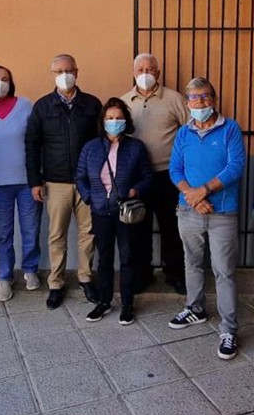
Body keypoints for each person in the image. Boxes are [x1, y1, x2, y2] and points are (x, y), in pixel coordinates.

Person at [167, 77, 245, 360]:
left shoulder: (230, 128)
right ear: (187, 103)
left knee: (224, 271)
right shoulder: (183, 134)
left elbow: (235, 167)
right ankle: (195, 308)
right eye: (194, 98)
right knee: (192, 263)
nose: (199, 102)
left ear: (214, 99)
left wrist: (204, 191)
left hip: (222, 211)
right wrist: (192, 195)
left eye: (205, 97)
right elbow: (175, 169)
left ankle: (229, 329)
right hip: (189, 210)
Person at [26, 54, 102, 309]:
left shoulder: (91, 104)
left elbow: (102, 142)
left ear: (77, 72)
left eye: (69, 70)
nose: (65, 74)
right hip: (55, 181)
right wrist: (35, 181)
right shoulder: (43, 106)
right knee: (56, 234)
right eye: (59, 71)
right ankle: (56, 282)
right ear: (53, 74)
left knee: (88, 232)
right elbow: (32, 145)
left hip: (87, 181)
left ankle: (85, 277)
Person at [75, 98, 153, 325]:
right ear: (103, 121)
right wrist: (90, 197)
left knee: (128, 258)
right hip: (100, 210)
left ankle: (128, 304)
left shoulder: (136, 147)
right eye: (110, 118)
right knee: (104, 258)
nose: (114, 121)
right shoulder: (91, 147)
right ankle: (104, 301)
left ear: (126, 121)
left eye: (119, 117)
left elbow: (148, 177)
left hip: (125, 211)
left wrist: (133, 192)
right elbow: (79, 176)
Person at [121, 54, 188, 294]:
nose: (145, 73)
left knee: (172, 228)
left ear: (158, 73)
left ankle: (175, 274)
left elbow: (189, 131)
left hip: (168, 175)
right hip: (137, 178)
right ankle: (142, 273)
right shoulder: (124, 101)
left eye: (150, 69)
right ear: (133, 72)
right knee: (139, 228)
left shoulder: (174, 99)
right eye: (140, 69)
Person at [0, 65, 42, 302]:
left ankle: (31, 270)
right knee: (2, 233)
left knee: (31, 229)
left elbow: (36, 141)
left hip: (27, 181)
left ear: (11, 83)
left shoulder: (25, 106)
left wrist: (38, 177)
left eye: (5, 79)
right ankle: (5, 276)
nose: (0, 82)